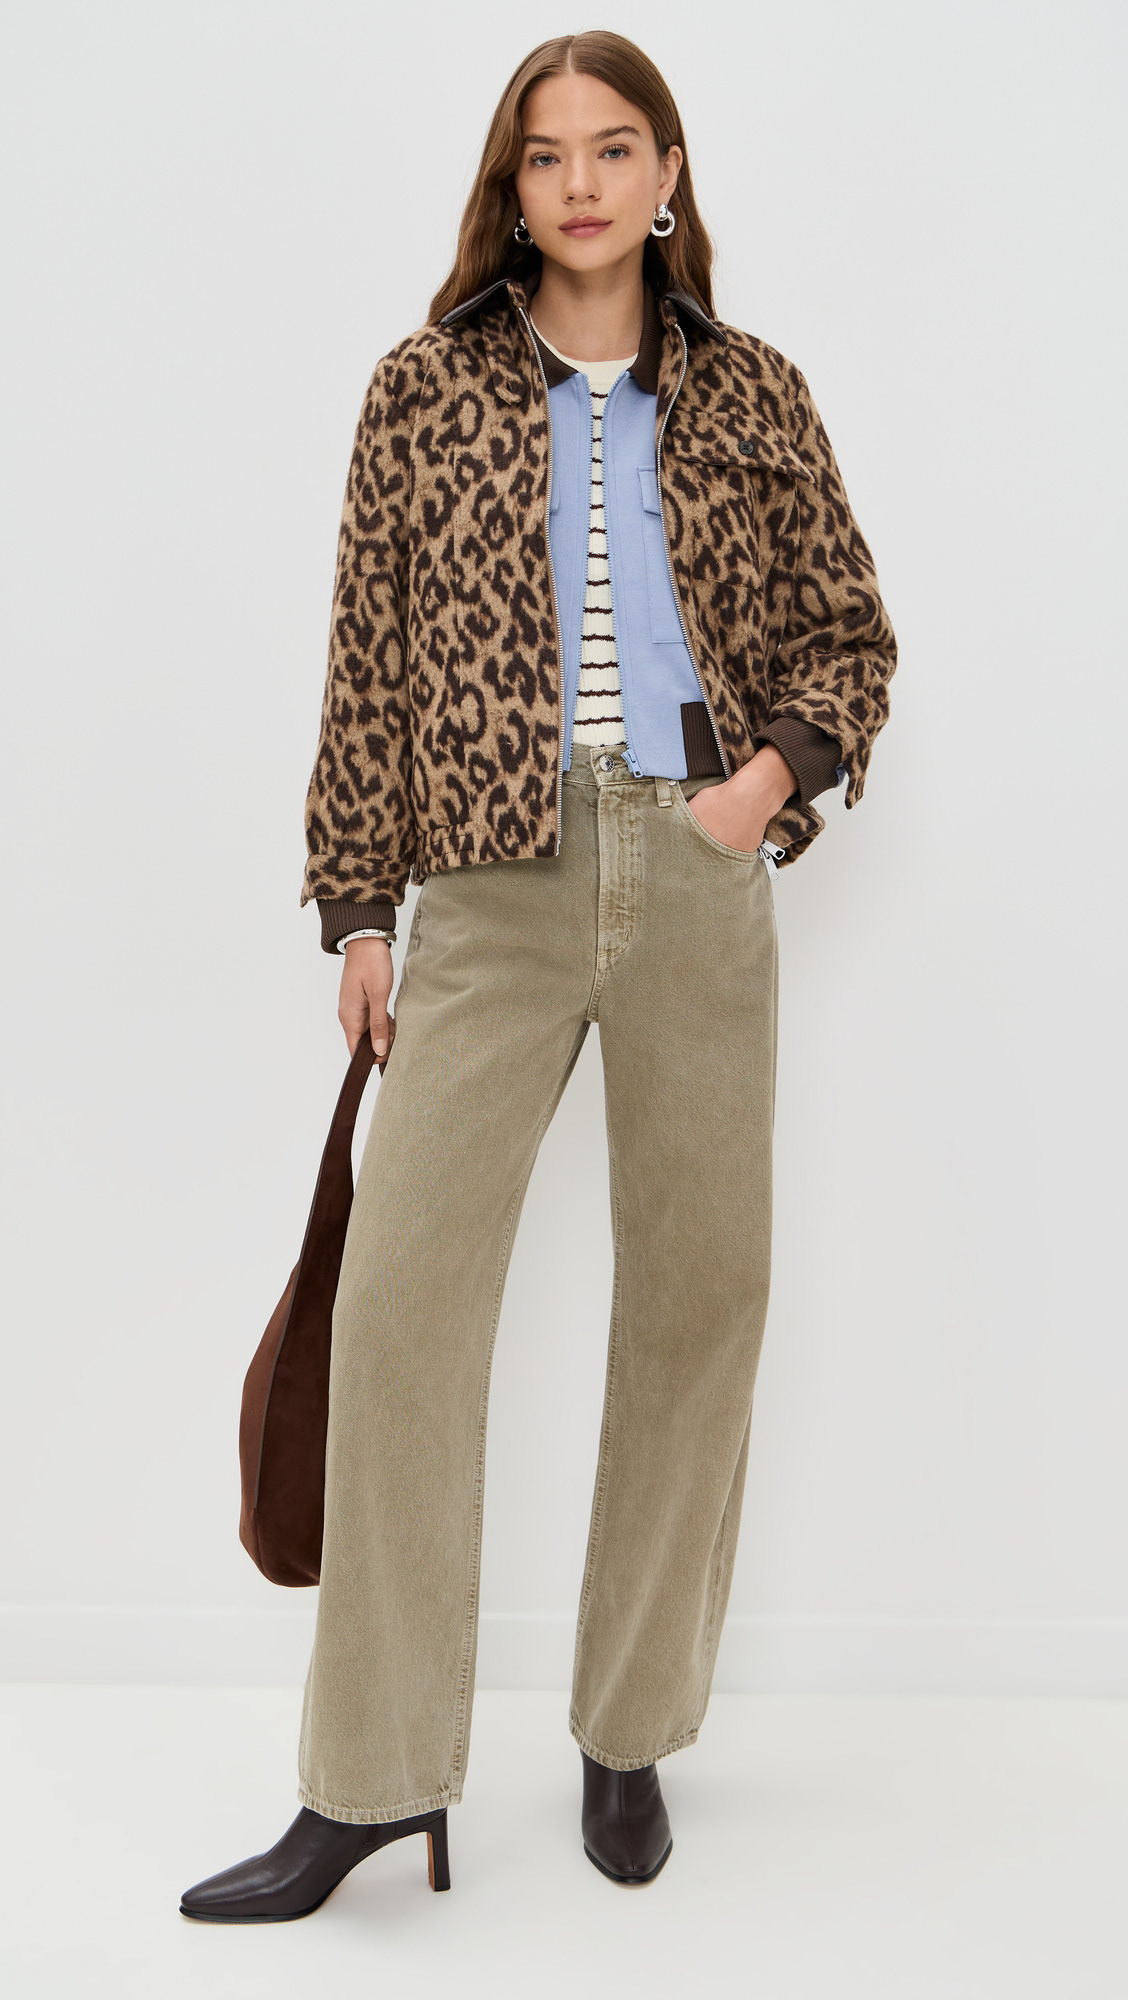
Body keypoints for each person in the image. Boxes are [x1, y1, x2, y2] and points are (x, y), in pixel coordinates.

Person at [180, 28, 896, 1922]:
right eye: (545, 154)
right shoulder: (420, 391)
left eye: (614, 147)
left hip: (696, 864)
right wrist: (360, 911)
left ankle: (628, 1734)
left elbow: (851, 638)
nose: (580, 182)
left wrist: (755, 793)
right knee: (404, 1313)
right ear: (512, 188)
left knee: (700, 1298)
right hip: (488, 890)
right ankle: (367, 1781)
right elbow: (365, 666)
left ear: (668, 175)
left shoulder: (755, 390)